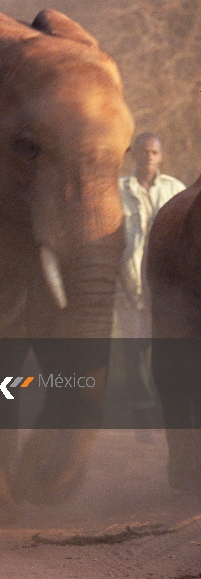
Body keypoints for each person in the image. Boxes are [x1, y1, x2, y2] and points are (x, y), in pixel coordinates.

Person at [112, 132, 185, 442]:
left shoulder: (176, 190)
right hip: (130, 287)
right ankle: (143, 418)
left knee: (172, 353)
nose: (149, 157)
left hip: (170, 289)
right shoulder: (117, 191)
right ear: (134, 155)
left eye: (154, 152)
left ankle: (173, 416)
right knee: (136, 355)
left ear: (162, 156)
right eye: (143, 152)